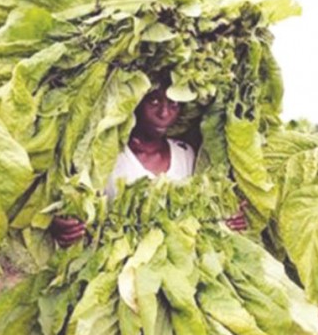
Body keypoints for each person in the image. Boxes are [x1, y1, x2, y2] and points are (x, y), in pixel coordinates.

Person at [50, 79, 248, 247]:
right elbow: (79, 207)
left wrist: (226, 217)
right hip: (114, 261)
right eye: (153, 102)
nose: (164, 113)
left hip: (180, 264)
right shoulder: (108, 155)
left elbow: (201, 211)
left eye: (174, 105)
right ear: (135, 103)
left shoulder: (186, 155)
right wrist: (65, 226)